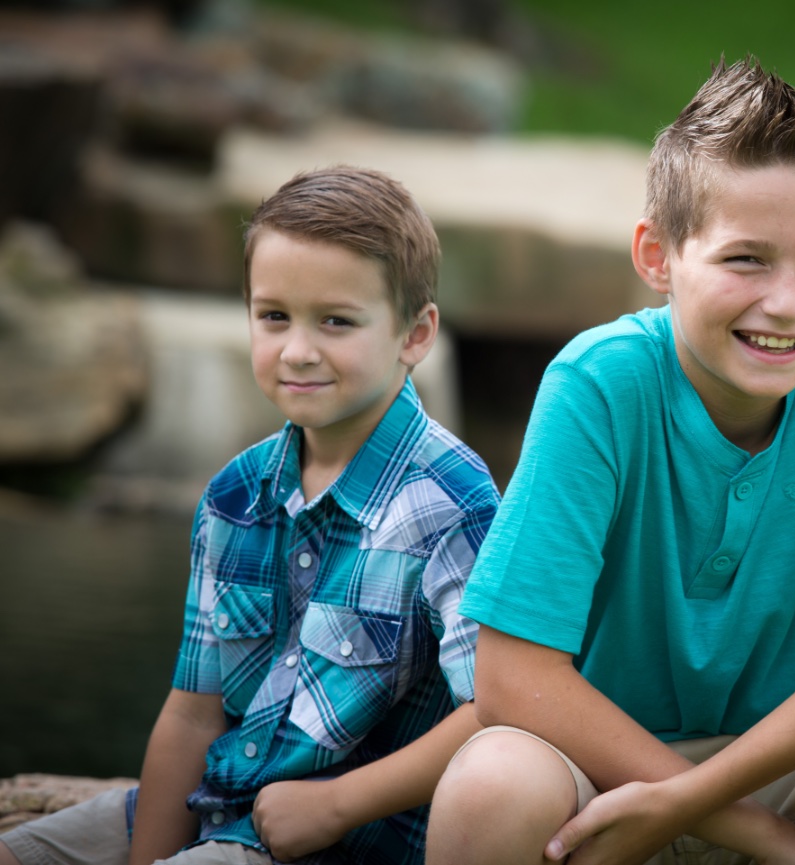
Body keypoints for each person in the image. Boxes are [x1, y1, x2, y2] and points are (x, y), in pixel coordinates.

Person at [427, 57, 795, 865]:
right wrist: (754, 835)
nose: (785, 303)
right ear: (657, 256)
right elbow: (510, 673)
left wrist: (697, 798)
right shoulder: (597, 383)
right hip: (603, 771)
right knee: (490, 786)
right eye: (745, 259)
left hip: (792, 763)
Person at [0, 166, 499, 865]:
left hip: (343, 838)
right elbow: (192, 713)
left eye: (336, 320)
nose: (298, 350)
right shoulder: (233, 496)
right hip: (218, 803)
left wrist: (337, 803)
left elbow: (495, 709)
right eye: (274, 316)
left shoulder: (451, 502)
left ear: (414, 334)